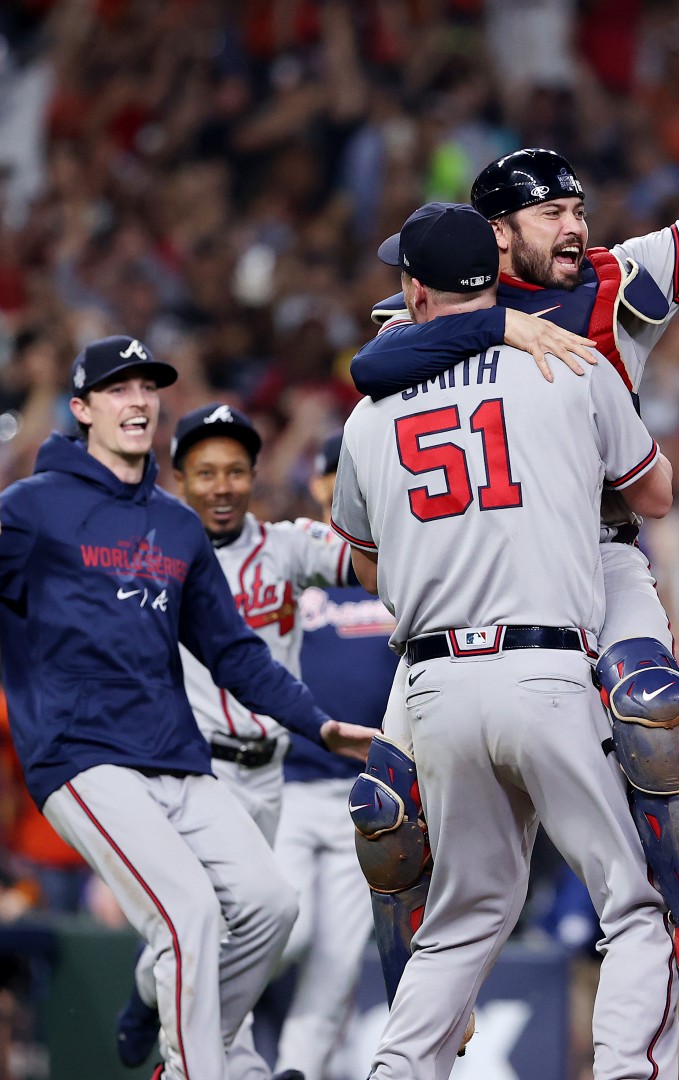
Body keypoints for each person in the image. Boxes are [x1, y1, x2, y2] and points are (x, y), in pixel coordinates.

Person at [338, 10, 679, 1015]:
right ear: (495, 236)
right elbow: (369, 366)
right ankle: (420, 1019)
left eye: (577, 209)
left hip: (599, 550)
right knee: (384, 810)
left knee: (658, 711)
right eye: (550, 216)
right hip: (476, 574)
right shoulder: (429, 313)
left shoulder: (617, 282)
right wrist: (504, 325)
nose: (575, 228)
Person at [0, 334, 377, 1080]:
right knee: (187, 915)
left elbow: (235, 652)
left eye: (148, 388)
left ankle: (188, 1059)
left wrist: (314, 721)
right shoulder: (32, 507)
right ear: (82, 408)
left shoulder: (176, 524)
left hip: (173, 758)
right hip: (83, 758)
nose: (138, 401)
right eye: (119, 388)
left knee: (271, 908)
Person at [335, 200, 679, 1078]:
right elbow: (655, 496)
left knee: (462, 918)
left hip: (433, 688)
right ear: (497, 277)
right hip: (546, 668)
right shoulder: (570, 362)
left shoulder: (366, 418)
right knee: (638, 900)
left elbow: (367, 560)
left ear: (414, 292)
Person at [114, 402, 354, 1070]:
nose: (222, 486)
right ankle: (204, 1059)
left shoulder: (285, 546)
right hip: (186, 771)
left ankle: (153, 1003)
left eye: (236, 471)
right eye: (206, 472)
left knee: (260, 931)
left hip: (269, 772)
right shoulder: (145, 550)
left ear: (254, 475)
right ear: (178, 477)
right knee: (215, 925)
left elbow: (370, 561)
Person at [272, 433, 397, 1080]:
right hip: (289, 783)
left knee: (338, 964)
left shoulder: (402, 562)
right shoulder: (297, 556)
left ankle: (297, 1073)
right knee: (282, 933)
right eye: (331, 479)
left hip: (366, 796)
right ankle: (187, 1007)